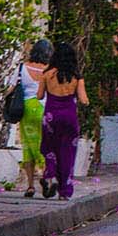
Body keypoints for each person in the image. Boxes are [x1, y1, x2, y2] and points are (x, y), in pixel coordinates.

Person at [40, 42, 90, 199]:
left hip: (51, 116)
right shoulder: (76, 77)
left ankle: (51, 174)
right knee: (67, 152)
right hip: (69, 117)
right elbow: (84, 100)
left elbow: (39, 95)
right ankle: (64, 191)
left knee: (50, 147)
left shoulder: (46, 74)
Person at [19, 39, 52, 197]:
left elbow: (11, 87)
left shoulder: (22, 68)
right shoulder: (50, 71)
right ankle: (47, 178)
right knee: (45, 144)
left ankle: (30, 186)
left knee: (28, 146)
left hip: (27, 109)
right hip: (45, 108)